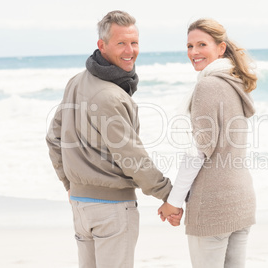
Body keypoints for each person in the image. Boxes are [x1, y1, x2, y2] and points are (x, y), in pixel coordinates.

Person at [46, 10, 180, 268]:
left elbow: (54, 139)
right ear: (102, 45)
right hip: (112, 210)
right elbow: (132, 158)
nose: (130, 50)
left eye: (134, 42)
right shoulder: (111, 96)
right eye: (121, 43)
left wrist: (69, 184)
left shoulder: (76, 82)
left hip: (81, 206)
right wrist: (168, 195)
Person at [158, 18, 258, 268]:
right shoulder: (235, 83)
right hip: (241, 200)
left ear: (221, 48)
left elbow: (198, 152)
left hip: (213, 205)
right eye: (190, 46)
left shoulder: (208, 85)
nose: (194, 52)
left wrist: (173, 201)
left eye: (202, 44)